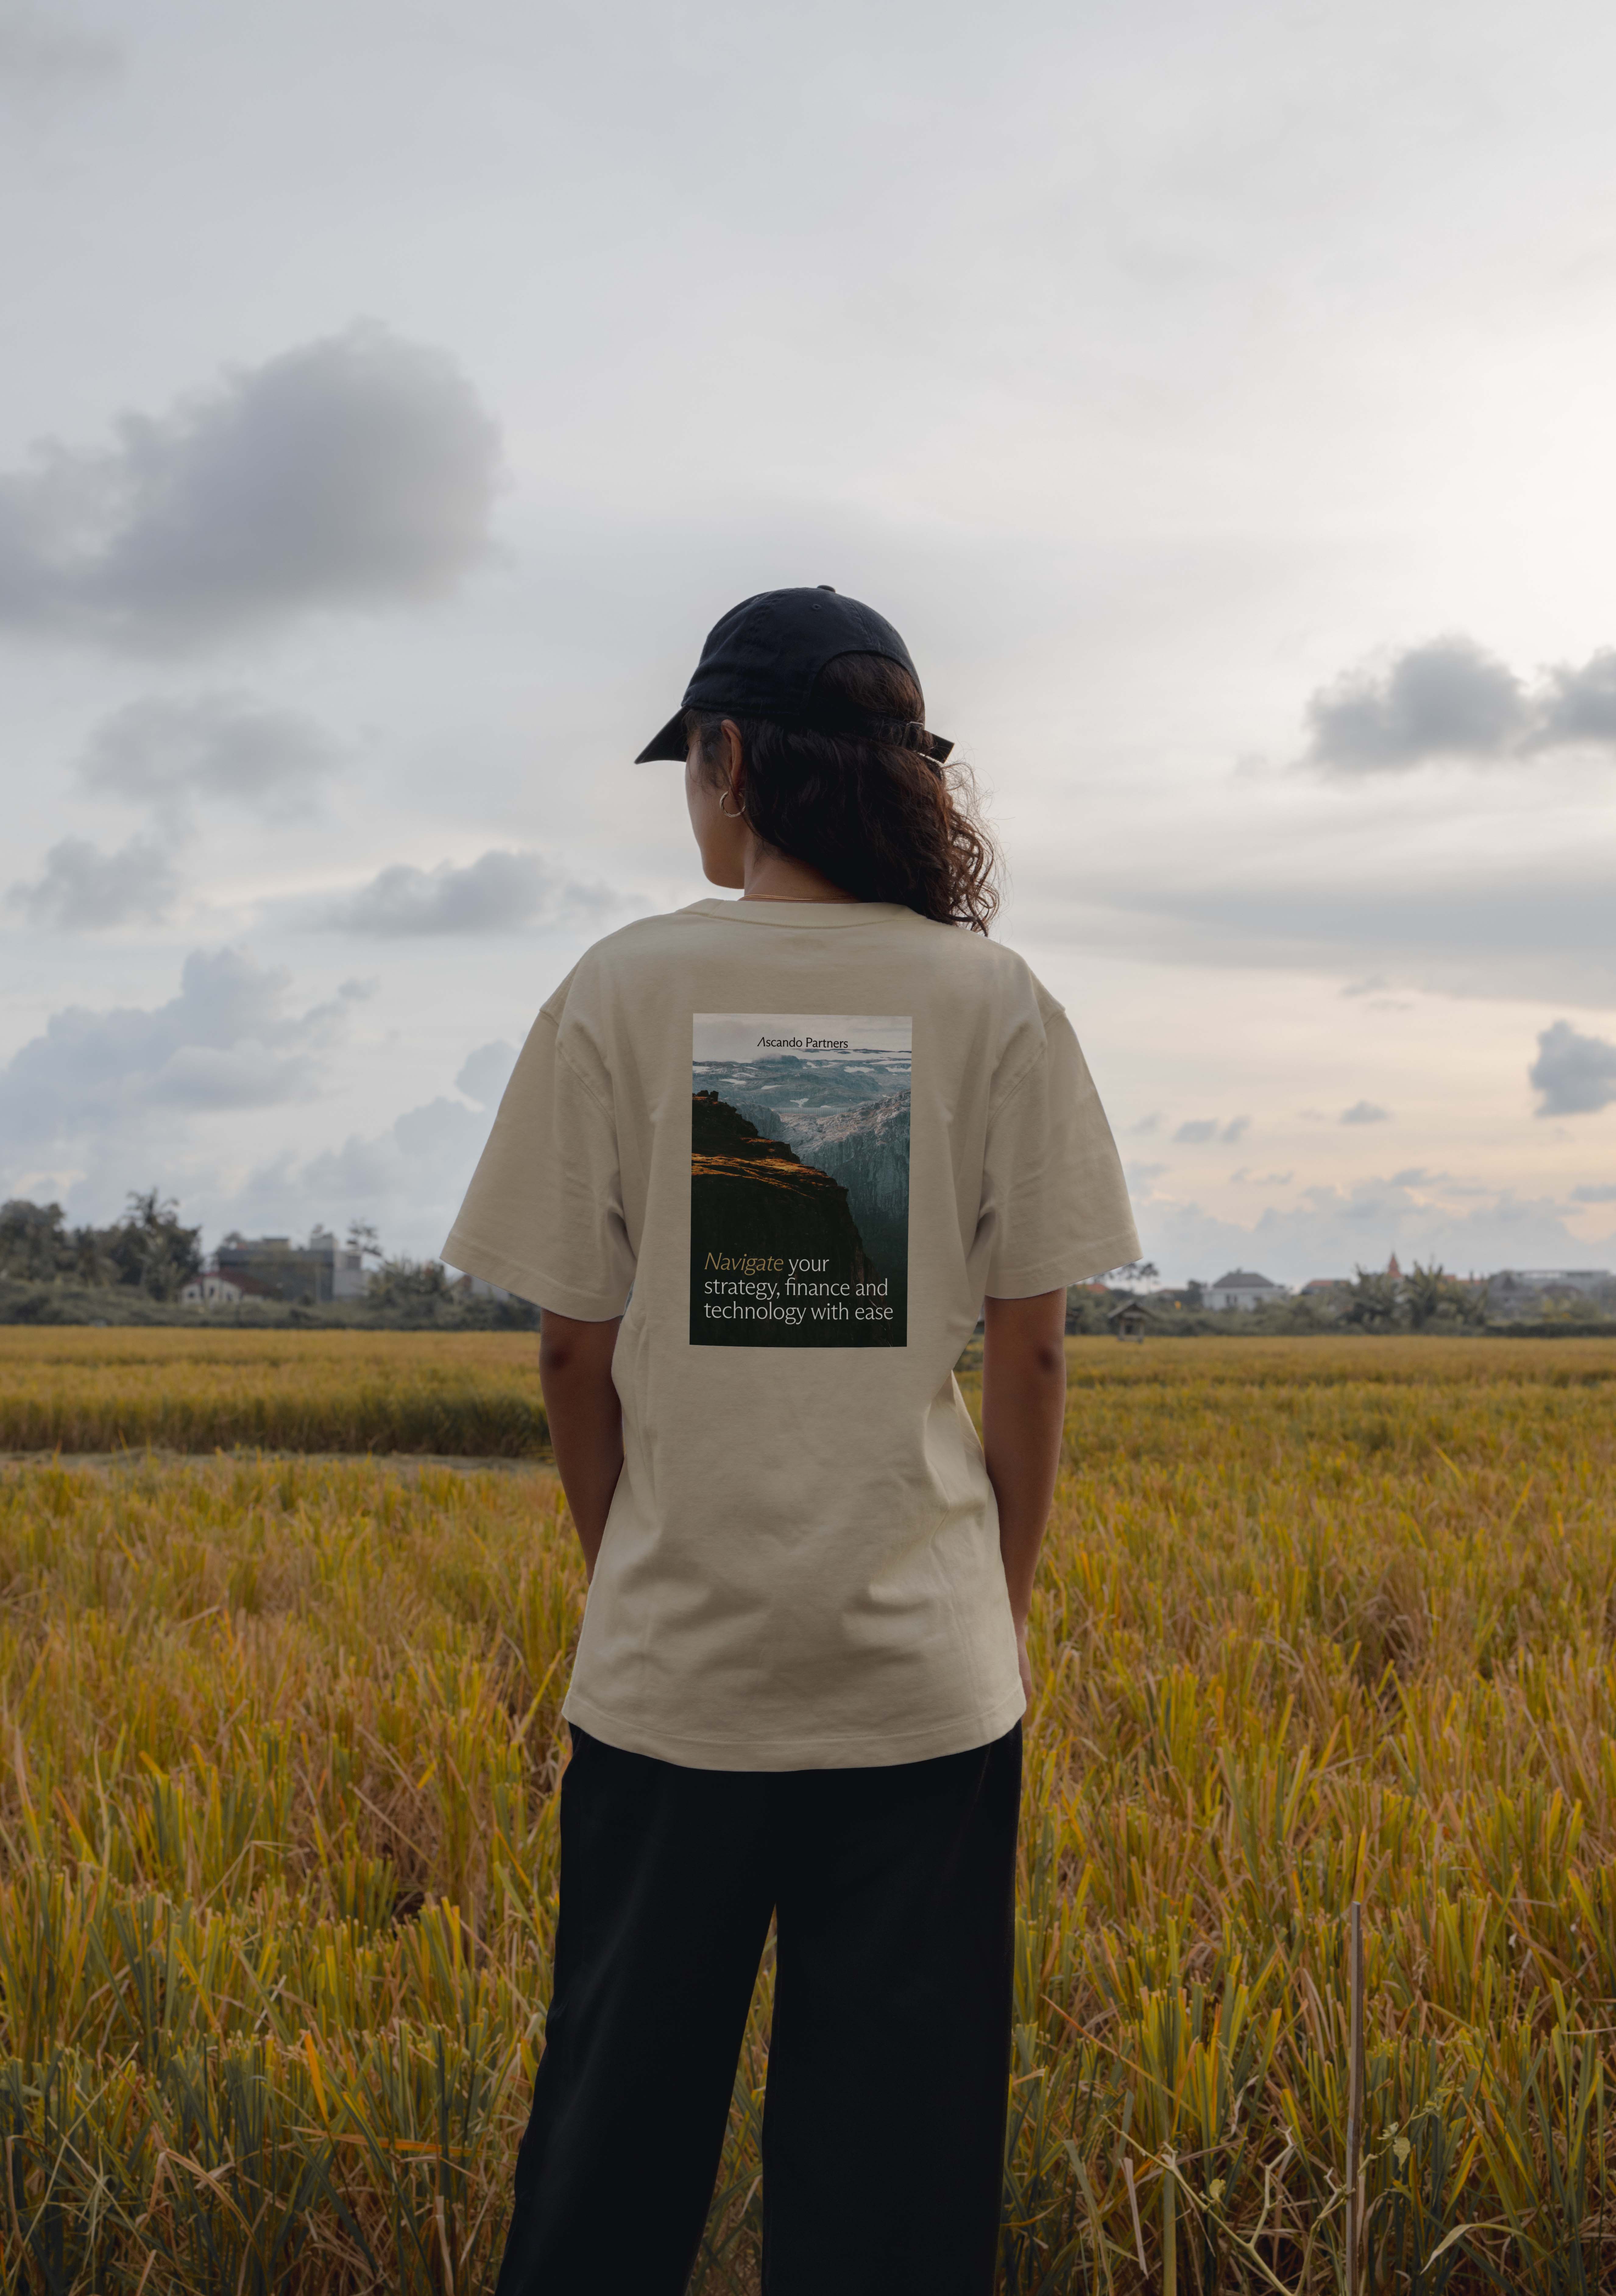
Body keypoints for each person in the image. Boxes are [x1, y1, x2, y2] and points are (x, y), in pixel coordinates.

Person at [443, 586, 1138, 2295]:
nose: (691, 790)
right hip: (924, 1684)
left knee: (610, 2151)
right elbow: (1037, 1349)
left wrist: (639, 1579)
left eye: (690, 760)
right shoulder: (996, 998)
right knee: (893, 2193)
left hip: (677, 1673)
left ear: (733, 754)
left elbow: (565, 1353)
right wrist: (998, 1606)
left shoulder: (621, 987)